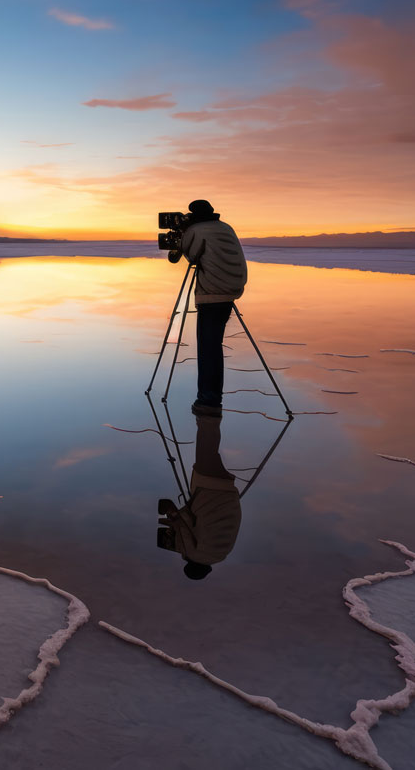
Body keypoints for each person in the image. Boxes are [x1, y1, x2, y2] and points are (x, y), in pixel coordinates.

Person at [173, 199, 246, 415]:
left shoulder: (197, 229)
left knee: (208, 348)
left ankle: (209, 401)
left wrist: (183, 235)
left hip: (212, 293)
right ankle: (210, 398)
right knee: (214, 344)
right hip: (232, 289)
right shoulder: (225, 227)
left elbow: (190, 255)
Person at [159, 411, 242, 579]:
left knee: (210, 451)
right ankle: (209, 406)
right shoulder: (193, 553)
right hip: (210, 491)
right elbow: (184, 523)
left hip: (229, 497)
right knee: (206, 441)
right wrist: (171, 516)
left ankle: (209, 410)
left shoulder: (221, 554)